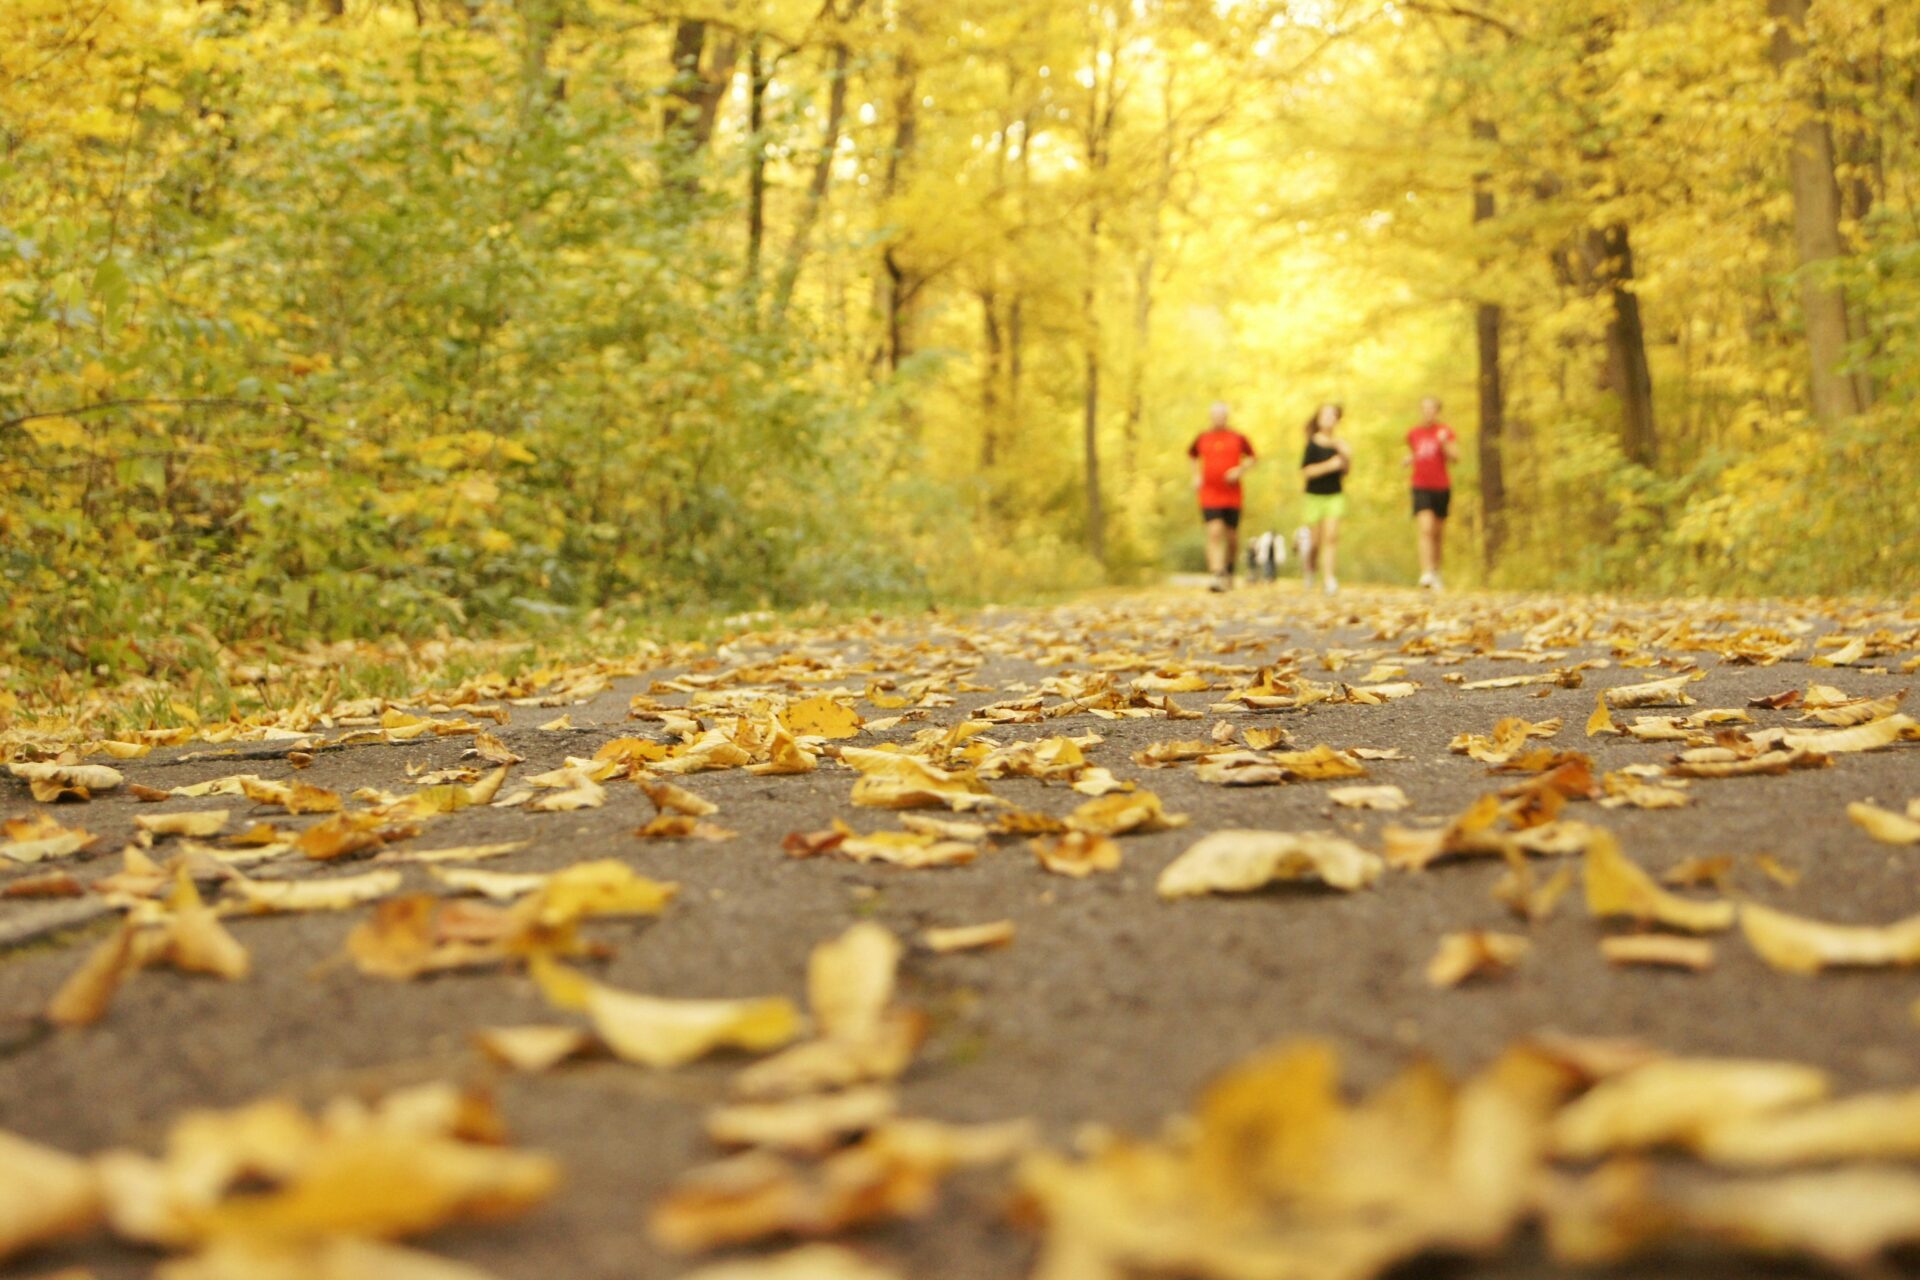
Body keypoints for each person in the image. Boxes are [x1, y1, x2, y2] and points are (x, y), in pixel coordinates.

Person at [1187, 402, 1257, 592]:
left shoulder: (1238, 437)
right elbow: (1192, 455)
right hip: (1209, 493)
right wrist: (1196, 476)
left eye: (1221, 415)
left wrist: (1239, 470)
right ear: (1211, 416)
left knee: (1232, 537)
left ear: (1226, 417)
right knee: (1214, 531)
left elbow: (1253, 458)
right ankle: (1217, 574)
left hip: (1232, 494)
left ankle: (1229, 569)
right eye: (1215, 415)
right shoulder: (1202, 438)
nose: (1218, 418)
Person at [1403, 395, 1460, 590]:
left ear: (1437, 411)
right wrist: (1409, 459)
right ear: (1421, 410)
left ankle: (1436, 570)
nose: (1427, 412)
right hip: (1420, 485)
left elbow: (1455, 457)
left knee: (1437, 533)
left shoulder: (1445, 432)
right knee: (1425, 528)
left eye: (1431, 408)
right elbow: (1418, 452)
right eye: (1424, 408)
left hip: (1441, 487)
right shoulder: (1413, 433)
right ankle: (1425, 572)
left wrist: (1444, 443)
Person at [1299, 403, 1349, 595]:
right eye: (1325, 415)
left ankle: (1329, 578)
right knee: (1315, 542)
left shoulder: (1339, 444)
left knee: (1331, 537)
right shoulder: (1312, 443)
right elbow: (1306, 471)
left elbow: (1346, 470)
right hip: (1313, 496)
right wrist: (1330, 465)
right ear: (1318, 419)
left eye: (1332, 415)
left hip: (1335, 495)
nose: (1329, 418)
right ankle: (1310, 570)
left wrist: (1346, 455)